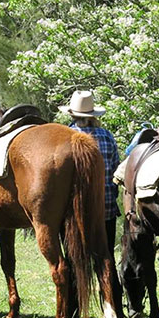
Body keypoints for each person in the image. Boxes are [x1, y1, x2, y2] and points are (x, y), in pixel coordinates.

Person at [60, 90, 124, 303]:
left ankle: (76, 310)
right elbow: (116, 171)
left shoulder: (64, 138)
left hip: (73, 213)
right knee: (106, 258)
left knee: (73, 258)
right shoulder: (106, 136)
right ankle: (114, 306)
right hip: (105, 209)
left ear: (72, 114)